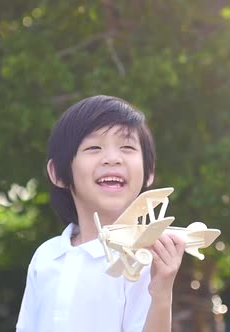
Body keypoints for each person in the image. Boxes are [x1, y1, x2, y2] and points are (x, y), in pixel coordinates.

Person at [16, 95, 185, 332]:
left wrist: (161, 294)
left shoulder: (143, 258)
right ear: (58, 173)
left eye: (127, 147)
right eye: (93, 147)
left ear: (149, 172)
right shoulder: (45, 257)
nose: (113, 159)